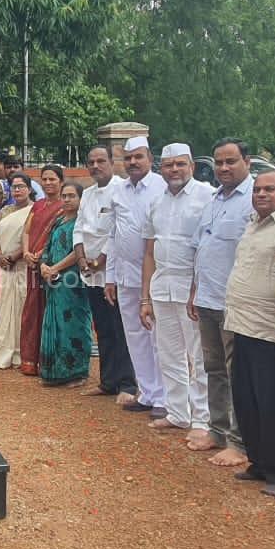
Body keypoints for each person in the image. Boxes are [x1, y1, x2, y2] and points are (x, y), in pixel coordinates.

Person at [224, 169, 275, 496]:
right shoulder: (253, 223)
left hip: (270, 328)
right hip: (241, 324)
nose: (261, 194)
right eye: (257, 189)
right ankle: (257, 461)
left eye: (270, 189)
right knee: (246, 398)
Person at [139, 143, 213, 443]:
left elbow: (208, 248)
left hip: (191, 286)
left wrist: (199, 287)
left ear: (192, 166)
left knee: (199, 356)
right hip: (162, 284)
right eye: (168, 165)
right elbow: (149, 251)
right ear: (161, 169)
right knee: (168, 353)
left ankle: (203, 418)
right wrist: (145, 297)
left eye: (180, 164)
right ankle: (177, 412)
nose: (174, 170)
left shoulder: (206, 196)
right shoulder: (156, 201)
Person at [189, 138, 256, 467]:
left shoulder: (255, 200)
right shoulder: (215, 200)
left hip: (236, 305)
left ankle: (239, 441)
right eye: (219, 162)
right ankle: (217, 430)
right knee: (213, 369)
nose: (224, 168)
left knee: (238, 374)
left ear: (248, 161)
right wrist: (195, 291)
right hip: (207, 299)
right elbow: (202, 249)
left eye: (231, 161)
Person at [105, 135, 166, 416]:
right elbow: (113, 235)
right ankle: (148, 391)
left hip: (156, 275)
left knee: (158, 336)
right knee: (135, 335)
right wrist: (110, 276)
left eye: (138, 157)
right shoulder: (118, 190)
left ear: (150, 160)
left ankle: (167, 398)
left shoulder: (162, 187)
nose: (132, 162)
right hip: (125, 274)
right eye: (128, 158)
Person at [73, 146, 137, 402]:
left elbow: (118, 230)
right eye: (91, 162)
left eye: (101, 161)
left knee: (120, 327)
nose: (96, 166)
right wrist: (80, 258)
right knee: (103, 328)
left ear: (112, 162)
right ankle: (108, 381)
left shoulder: (122, 191)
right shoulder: (87, 193)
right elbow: (79, 227)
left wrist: (101, 260)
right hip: (89, 270)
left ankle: (128, 384)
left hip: (112, 270)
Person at [38, 181, 92, 386]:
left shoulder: (83, 222)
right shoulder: (58, 220)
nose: (67, 200)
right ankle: (54, 371)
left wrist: (56, 268)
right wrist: (44, 265)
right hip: (52, 280)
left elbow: (78, 251)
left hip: (73, 281)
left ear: (81, 199)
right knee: (55, 323)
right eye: (65, 196)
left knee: (74, 324)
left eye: (72, 196)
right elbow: (47, 246)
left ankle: (77, 372)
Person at [18, 164, 66, 375]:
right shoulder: (37, 205)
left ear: (61, 181)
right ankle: (30, 360)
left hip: (53, 266)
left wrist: (41, 255)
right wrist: (27, 252)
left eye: (52, 179)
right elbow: (26, 232)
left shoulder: (66, 206)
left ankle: (52, 362)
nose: (48, 183)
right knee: (32, 310)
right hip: (32, 265)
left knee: (51, 310)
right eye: (44, 179)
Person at [0, 174, 35, 369]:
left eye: (21, 187)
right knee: (5, 307)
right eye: (14, 187)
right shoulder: (6, 210)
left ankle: (22, 353)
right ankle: (4, 350)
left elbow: (34, 237)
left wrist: (15, 256)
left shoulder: (35, 210)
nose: (18, 190)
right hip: (5, 266)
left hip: (23, 265)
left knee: (23, 308)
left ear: (30, 189)